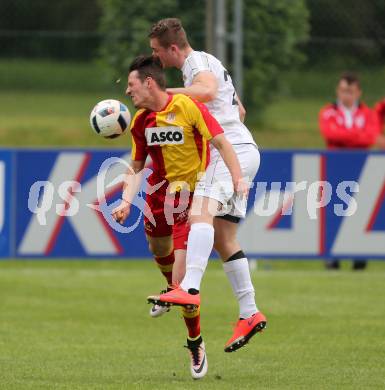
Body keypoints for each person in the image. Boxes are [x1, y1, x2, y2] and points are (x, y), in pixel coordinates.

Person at [111, 55, 246, 379]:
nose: (128, 93)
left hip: (190, 199)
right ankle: (168, 285)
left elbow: (222, 143)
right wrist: (126, 201)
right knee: (159, 251)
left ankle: (195, 342)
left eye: (131, 85)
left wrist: (237, 177)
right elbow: (137, 166)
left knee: (186, 285)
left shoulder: (188, 107)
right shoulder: (141, 121)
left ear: (148, 82)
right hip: (159, 195)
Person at [146, 18, 267, 353]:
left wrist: (164, 94)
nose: (156, 58)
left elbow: (208, 91)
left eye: (157, 51)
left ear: (173, 48)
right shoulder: (212, 62)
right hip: (244, 148)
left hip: (230, 153)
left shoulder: (196, 62)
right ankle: (249, 312)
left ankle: (190, 288)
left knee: (199, 214)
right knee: (223, 237)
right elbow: (238, 110)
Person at [319, 72, 380, 270]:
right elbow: (331, 133)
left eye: (351, 92)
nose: (347, 96)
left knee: (361, 212)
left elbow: (370, 136)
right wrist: (357, 137)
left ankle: (359, 257)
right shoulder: (328, 112)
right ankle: (332, 258)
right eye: (344, 91)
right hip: (335, 169)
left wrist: (347, 138)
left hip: (362, 170)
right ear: (338, 91)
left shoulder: (368, 114)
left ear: (358, 92)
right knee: (334, 212)